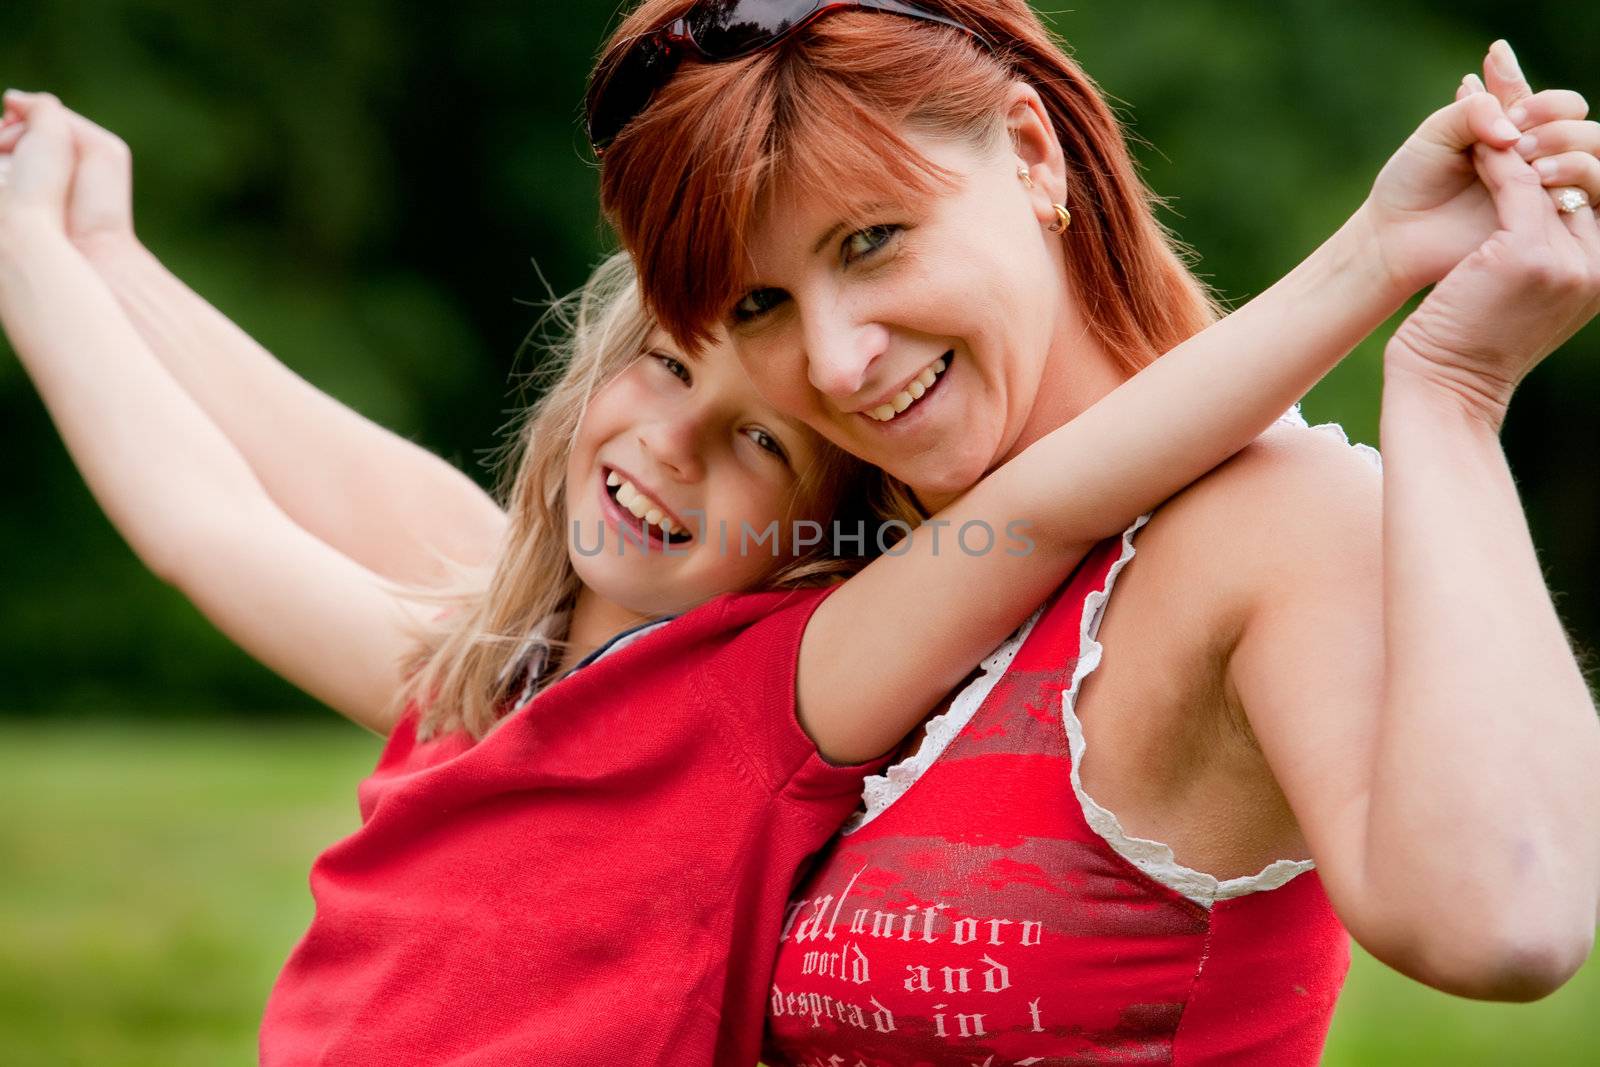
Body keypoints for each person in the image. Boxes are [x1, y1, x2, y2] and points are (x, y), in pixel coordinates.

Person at [0, 83, 1454, 1065]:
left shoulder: (783, 692)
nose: (680, 443)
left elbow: (1058, 493)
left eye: (761, 442)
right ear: (584, 382)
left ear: (816, 530)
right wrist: (80, 247)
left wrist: (1373, 259)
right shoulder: (472, 687)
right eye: (663, 368)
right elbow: (211, 516)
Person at [582, 1, 1600, 1062]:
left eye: (871, 241)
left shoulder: (1267, 524)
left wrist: (1453, 392)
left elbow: (1503, 920)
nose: (836, 360)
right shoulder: (827, 568)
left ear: (1032, 156)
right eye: (758, 306)